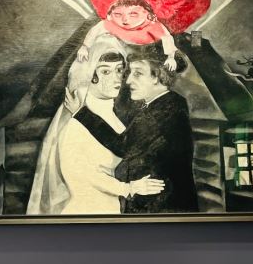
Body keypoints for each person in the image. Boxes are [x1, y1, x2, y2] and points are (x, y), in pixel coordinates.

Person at [26, 35, 164, 215]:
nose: (117, 78)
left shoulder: (111, 118)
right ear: (89, 75)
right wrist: (128, 188)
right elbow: (82, 173)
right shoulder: (76, 122)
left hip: (110, 209)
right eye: (105, 72)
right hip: (85, 212)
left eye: (119, 70)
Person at [68, 46, 199, 214]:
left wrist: (81, 113)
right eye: (129, 73)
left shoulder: (164, 109)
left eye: (137, 73)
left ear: (158, 76)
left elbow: (122, 145)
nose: (128, 80)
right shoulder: (165, 104)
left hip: (162, 210)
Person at [77, 0, 178, 71]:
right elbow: (95, 31)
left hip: (149, 53)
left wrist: (171, 57)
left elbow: (167, 38)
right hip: (122, 56)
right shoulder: (110, 24)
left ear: (148, 15)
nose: (125, 19)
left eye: (133, 14)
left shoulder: (153, 26)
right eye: (118, 14)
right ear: (109, 16)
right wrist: (85, 47)